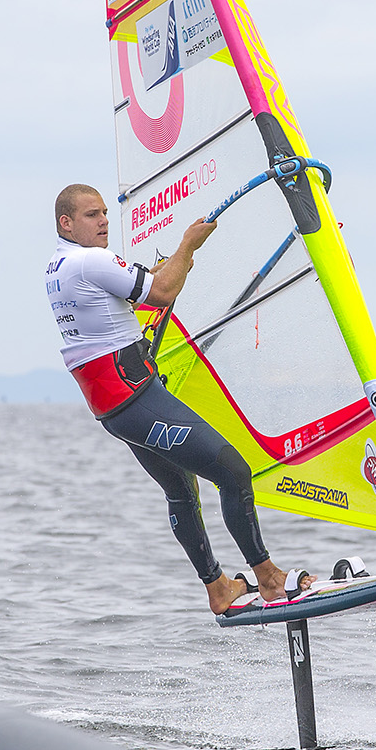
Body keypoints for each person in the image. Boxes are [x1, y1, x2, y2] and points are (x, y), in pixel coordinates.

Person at [47, 183, 311, 614]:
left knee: (181, 490)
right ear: (67, 222)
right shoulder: (91, 260)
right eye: (92, 215)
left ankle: (219, 588)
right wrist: (188, 245)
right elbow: (162, 292)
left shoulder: (59, 266)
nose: (104, 221)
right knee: (233, 472)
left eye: (105, 213)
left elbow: (145, 287)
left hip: (114, 408)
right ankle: (268, 577)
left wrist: (175, 264)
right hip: (135, 396)